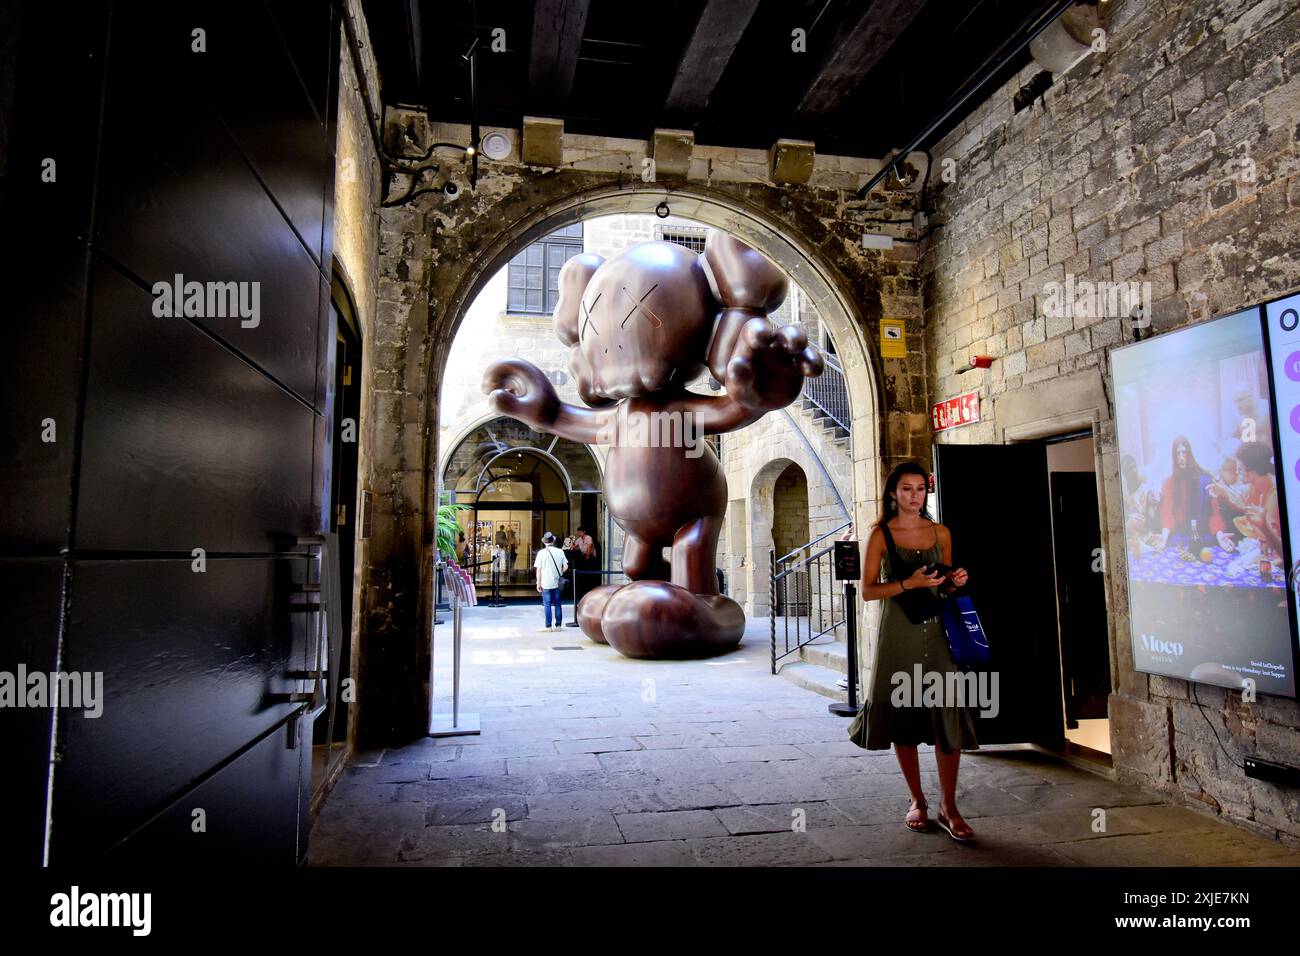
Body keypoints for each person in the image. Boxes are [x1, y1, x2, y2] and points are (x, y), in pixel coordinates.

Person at [843, 461, 977, 842]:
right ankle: (916, 799)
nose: (914, 495)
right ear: (893, 493)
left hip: (937, 632)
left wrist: (954, 583)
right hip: (897, 633)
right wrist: (907, 582)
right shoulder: (880, 534)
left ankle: (949, 806)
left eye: (920, 488)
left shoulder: (941, 532)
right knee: (903, 712)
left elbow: (946, 589)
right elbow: (868, 590)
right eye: (906, 488)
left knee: (946, 713)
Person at [1158, 435, 1213, 549]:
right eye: (1178, 453)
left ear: (1190, 454)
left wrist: (1220, 534)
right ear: (1174, 456)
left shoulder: (1205, 479)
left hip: (1204, 536)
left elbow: (1214, 512)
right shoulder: (1169, 483)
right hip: (1181, 537)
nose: (1181, 457)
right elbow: (1167, 513)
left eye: (1184, 452)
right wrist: (1163, 538)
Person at [534, 531, 569, 632]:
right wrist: (560, 572)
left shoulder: (541, 553)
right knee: (558, 604)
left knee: (547, 604)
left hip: (545, 583)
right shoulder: (560, 551)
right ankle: (558, 626)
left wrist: (538, 583)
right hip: (557, 582)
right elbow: (566, 566)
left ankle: (548, 626)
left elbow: (539, 570)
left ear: (544, 542)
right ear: (553, 541)